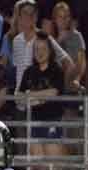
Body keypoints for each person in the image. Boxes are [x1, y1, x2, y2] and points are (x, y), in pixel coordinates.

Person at [19, 30, 64, 159]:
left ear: (50, 50)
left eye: (43, 48)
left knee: (52, 165)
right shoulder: (29, 71)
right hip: (33, 121)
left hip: (52, 120)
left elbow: (54, 92)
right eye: (37, 49)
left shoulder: (57, 70)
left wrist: (32, 95)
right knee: (37, 165)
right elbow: (20, 95)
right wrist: (40, 98)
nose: (40, 52)